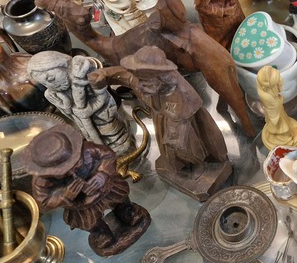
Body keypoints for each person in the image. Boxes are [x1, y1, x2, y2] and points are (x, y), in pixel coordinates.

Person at [89, 46, 232, 201]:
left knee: (190, 149)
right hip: (162, 120)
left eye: (143, 76)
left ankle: (199, 167)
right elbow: (126, 76)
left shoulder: (176, 90)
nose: (139, 81)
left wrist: (173, 135)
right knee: (171, 152)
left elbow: (182, 114)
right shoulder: (145, 81)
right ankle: (181, 164)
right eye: (139, 75)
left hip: (185, 124)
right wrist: (105, 74)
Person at [23, 124, 150, 256]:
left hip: (105, 188)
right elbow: (43, 202)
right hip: (81, 205)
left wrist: (103, 174)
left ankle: (127, 211)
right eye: (62, 172)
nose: (72, 172)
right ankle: (101, 233)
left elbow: (108, 155)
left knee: (120, 198)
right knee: (90, 222)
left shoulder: (87, 149)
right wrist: (64, 195)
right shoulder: (42, 180)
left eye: (75, 163)